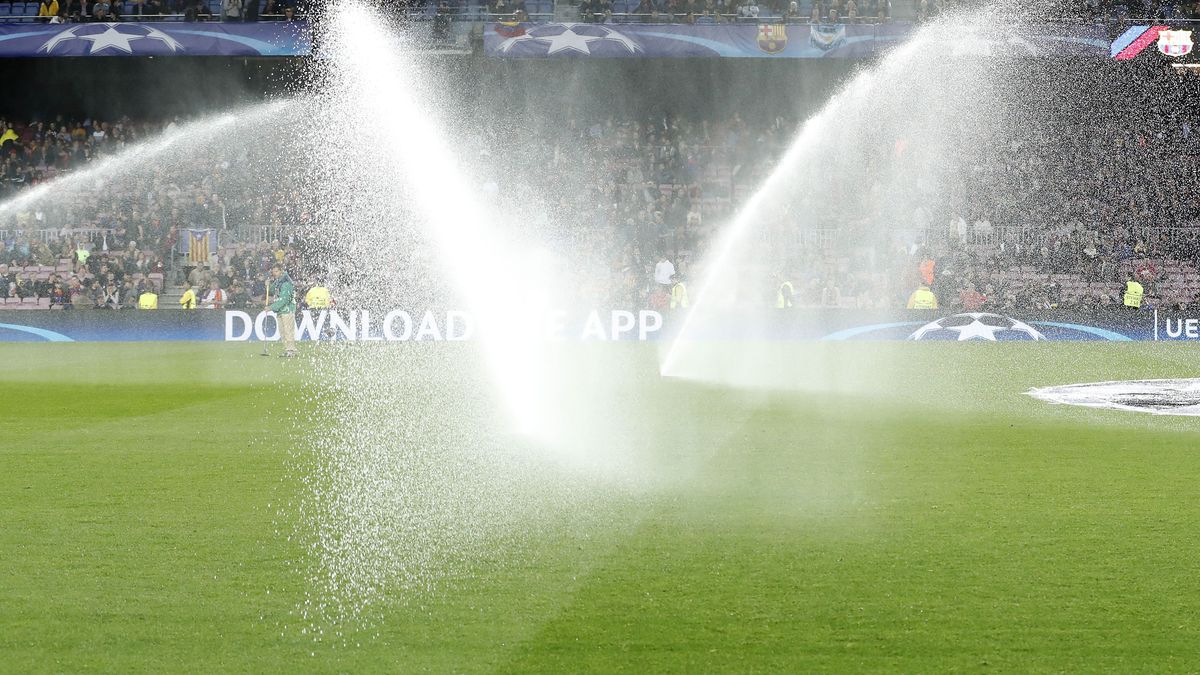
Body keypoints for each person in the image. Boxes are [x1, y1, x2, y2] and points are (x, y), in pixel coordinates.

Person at [268, 265, 297, 357]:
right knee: (282, 332)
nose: (274, 273)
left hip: (287, 309)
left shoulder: (286, 283)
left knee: (288, 331)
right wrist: (268, 285)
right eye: (273, 272)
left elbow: (284, 299)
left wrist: (271, 307)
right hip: (281, 310)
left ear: (281, 271)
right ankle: (288, 349)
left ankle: (291, 350)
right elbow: (273, 291)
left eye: (276, 271)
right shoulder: (278, 282)